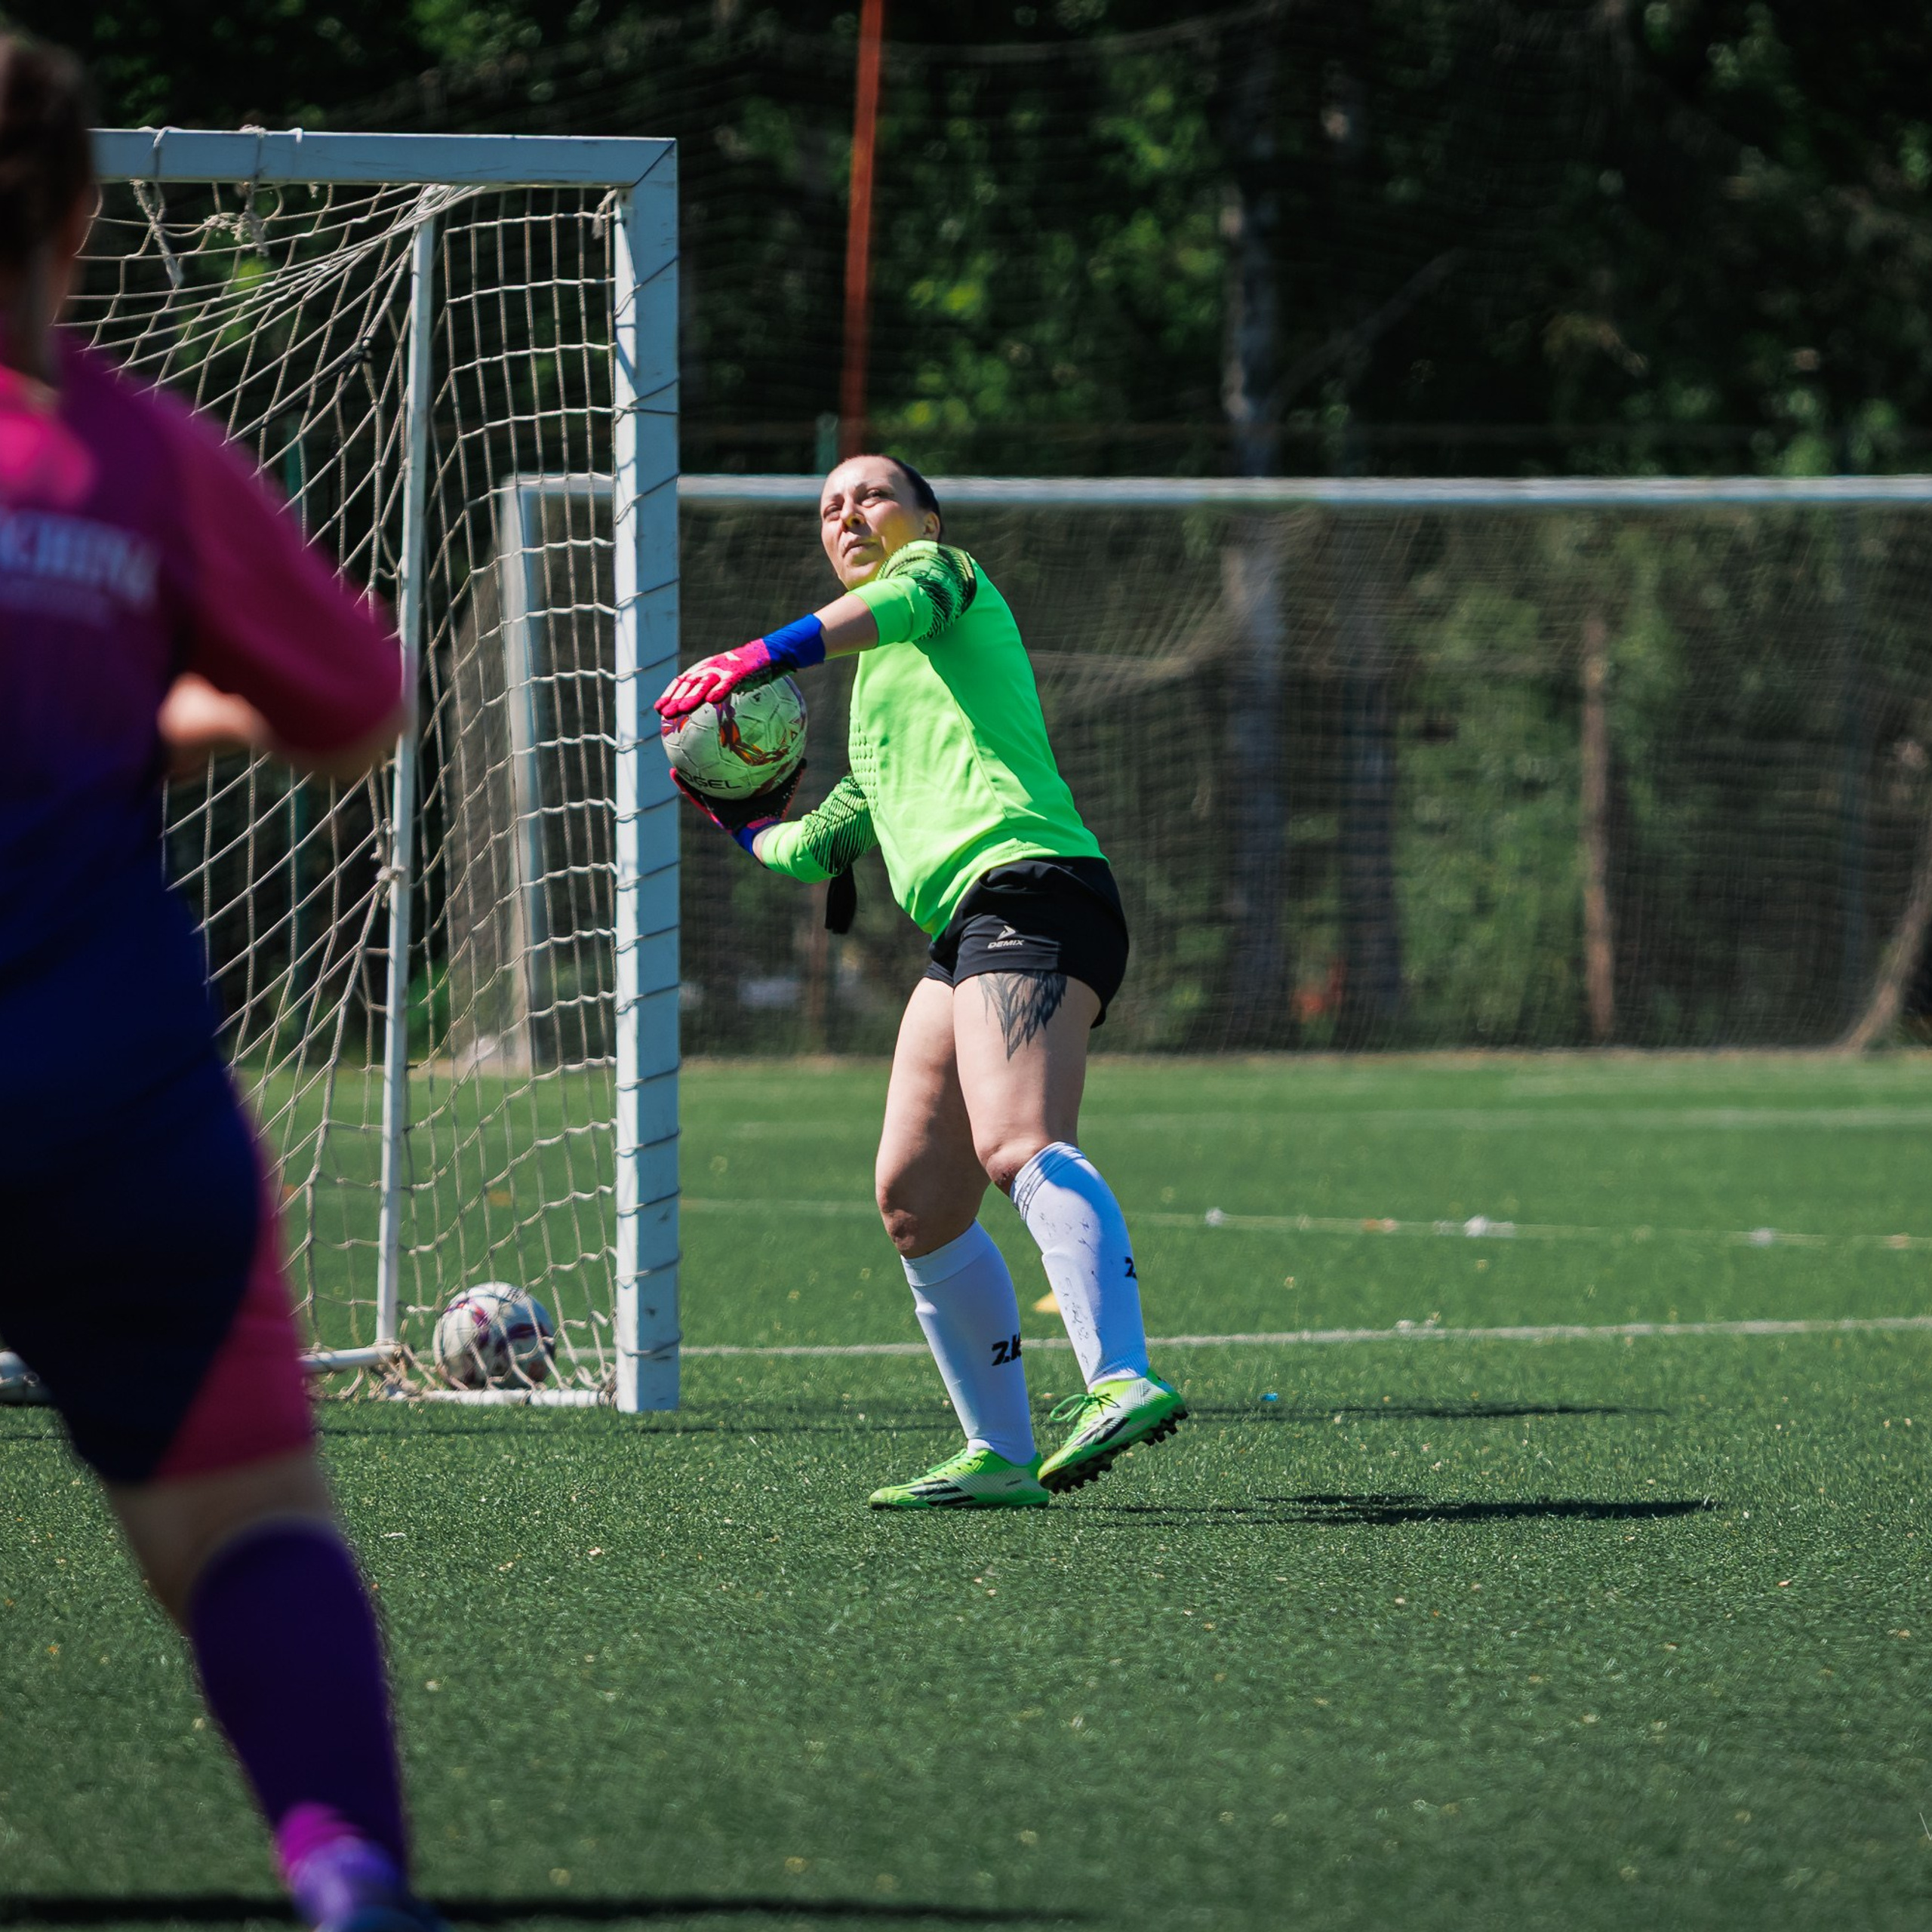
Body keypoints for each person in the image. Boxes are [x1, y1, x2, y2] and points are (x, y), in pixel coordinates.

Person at [0, 37, 439, 1932]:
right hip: (117, 1091)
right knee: (245, 1526)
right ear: (84, 219)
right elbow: (358, 707)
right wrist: (154, 700)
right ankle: (342, 1869)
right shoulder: (151, 457)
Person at [658, 453, 1186, 1508]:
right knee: (913, 1199)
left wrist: (751, 657)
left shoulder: (945, 581)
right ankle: (999, 1452)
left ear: (926, 516)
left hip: (1033, 886)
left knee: (1016, 1141)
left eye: (873, 495)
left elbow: (897, 599)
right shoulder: (876, 698)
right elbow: (822, 847)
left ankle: (1121, 1378)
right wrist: (743, 823)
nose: (848, 512)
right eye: (829, 507)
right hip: (968, 929)